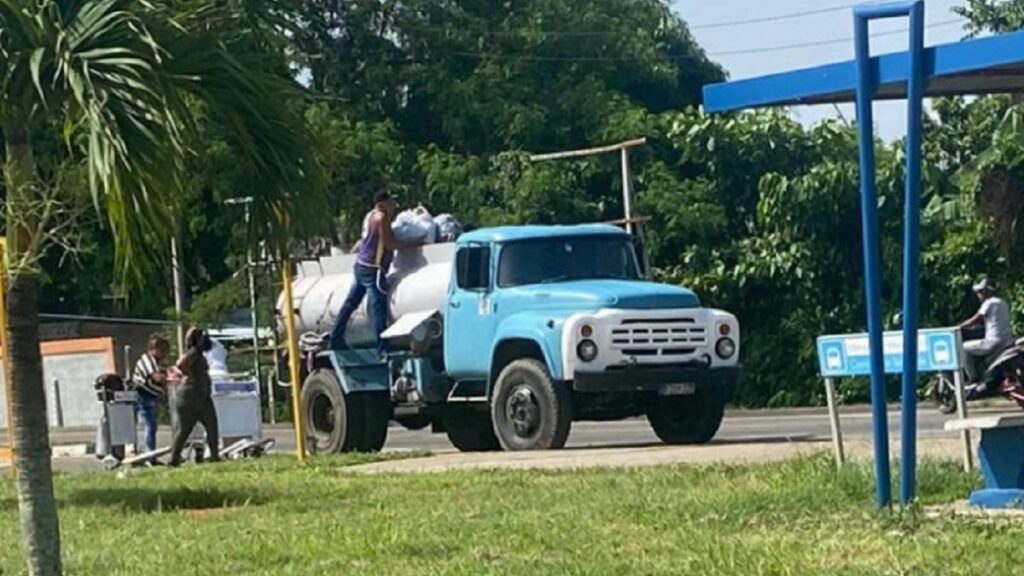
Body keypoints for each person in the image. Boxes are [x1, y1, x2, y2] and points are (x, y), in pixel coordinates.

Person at [329, 191, 421, 356]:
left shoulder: (370, 216)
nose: (393, 206)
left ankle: (335, 338)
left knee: (351, 303)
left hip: (362, 264)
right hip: (373, 268)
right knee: (378, 307)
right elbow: (390, 244)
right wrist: (416, 242)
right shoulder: (381, 218)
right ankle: (382, 347)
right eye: (391, 203)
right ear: (383, 203)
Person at [168, 327, 220, 466]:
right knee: (185, 430)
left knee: (211, 426)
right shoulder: (194, 352)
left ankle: (215, 456)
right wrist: (190, 376)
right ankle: (174, 460)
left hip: (201, 397)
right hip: (191, 397)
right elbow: (180, 363)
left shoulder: (199, 354)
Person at [959, 278, 1014, 384]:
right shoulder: (1003, 302)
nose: (979, 295)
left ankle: (973, 379)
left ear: (987, 291)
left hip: (992, 342)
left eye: (980, 292)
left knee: (963, 348)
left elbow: (976, 319)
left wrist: (960, 326)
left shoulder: (989, 303)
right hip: (1006, 341)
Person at [131, 334, 171, 454]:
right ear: (152, 350)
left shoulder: (158, 362)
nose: (165, 353)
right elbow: (157, 378)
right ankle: (148, 452)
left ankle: (146, 451)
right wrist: (170, 381)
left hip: (150, 396)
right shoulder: (148, 361)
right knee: (149, 424)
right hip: (142, 395)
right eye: (162, 350)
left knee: (150, 425)